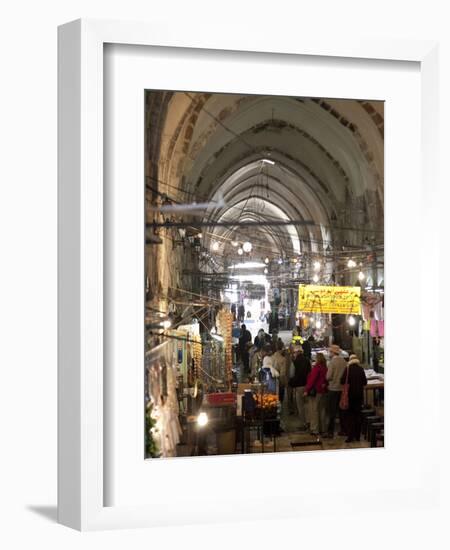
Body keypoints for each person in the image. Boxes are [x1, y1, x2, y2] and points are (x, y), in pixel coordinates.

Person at [340, 354, 367, 443]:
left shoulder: (347, 369)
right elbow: (365, 382)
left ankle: (350, 436)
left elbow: (342, 381)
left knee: (350, 416)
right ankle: (358, 436)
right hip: (359, 396)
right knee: (358, 415)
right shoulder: (361, 369)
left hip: (350, 396)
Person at [325, 344, 347, 438]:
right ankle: (343, 430)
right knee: (341, 411)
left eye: (330, 351)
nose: (329, 353)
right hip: (341, 389)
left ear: (333, 352)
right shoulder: (344, 361)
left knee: (332, 412)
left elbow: (328, 376)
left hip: (333, 388)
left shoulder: (332, 362)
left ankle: (330, 432)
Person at [304, 352, 328, 436]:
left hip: (316, 391)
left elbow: (312, 380)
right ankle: (323, 429)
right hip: (323, 391)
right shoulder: (325, 368)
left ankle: (315, 429)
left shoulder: (317, 368)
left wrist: (307, 390)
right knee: (322, 411)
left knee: (314, 410)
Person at [290, 346, 311, 430]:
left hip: (298, 386)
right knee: (307, 405)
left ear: (296, 352)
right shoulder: (307, 360)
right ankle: (309, 421)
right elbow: (310, 372)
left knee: (300, 406)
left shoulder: (295, 362)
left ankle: (304, 423)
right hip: (307, 385)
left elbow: (292, 374)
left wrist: (291, 382)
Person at [272, 340, 290, 408]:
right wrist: (285, 382)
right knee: (280, 399)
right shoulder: (283, 359)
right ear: (282, 348)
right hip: (279, 381)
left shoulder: (272, 357)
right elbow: (282, 373)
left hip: (272, 381)